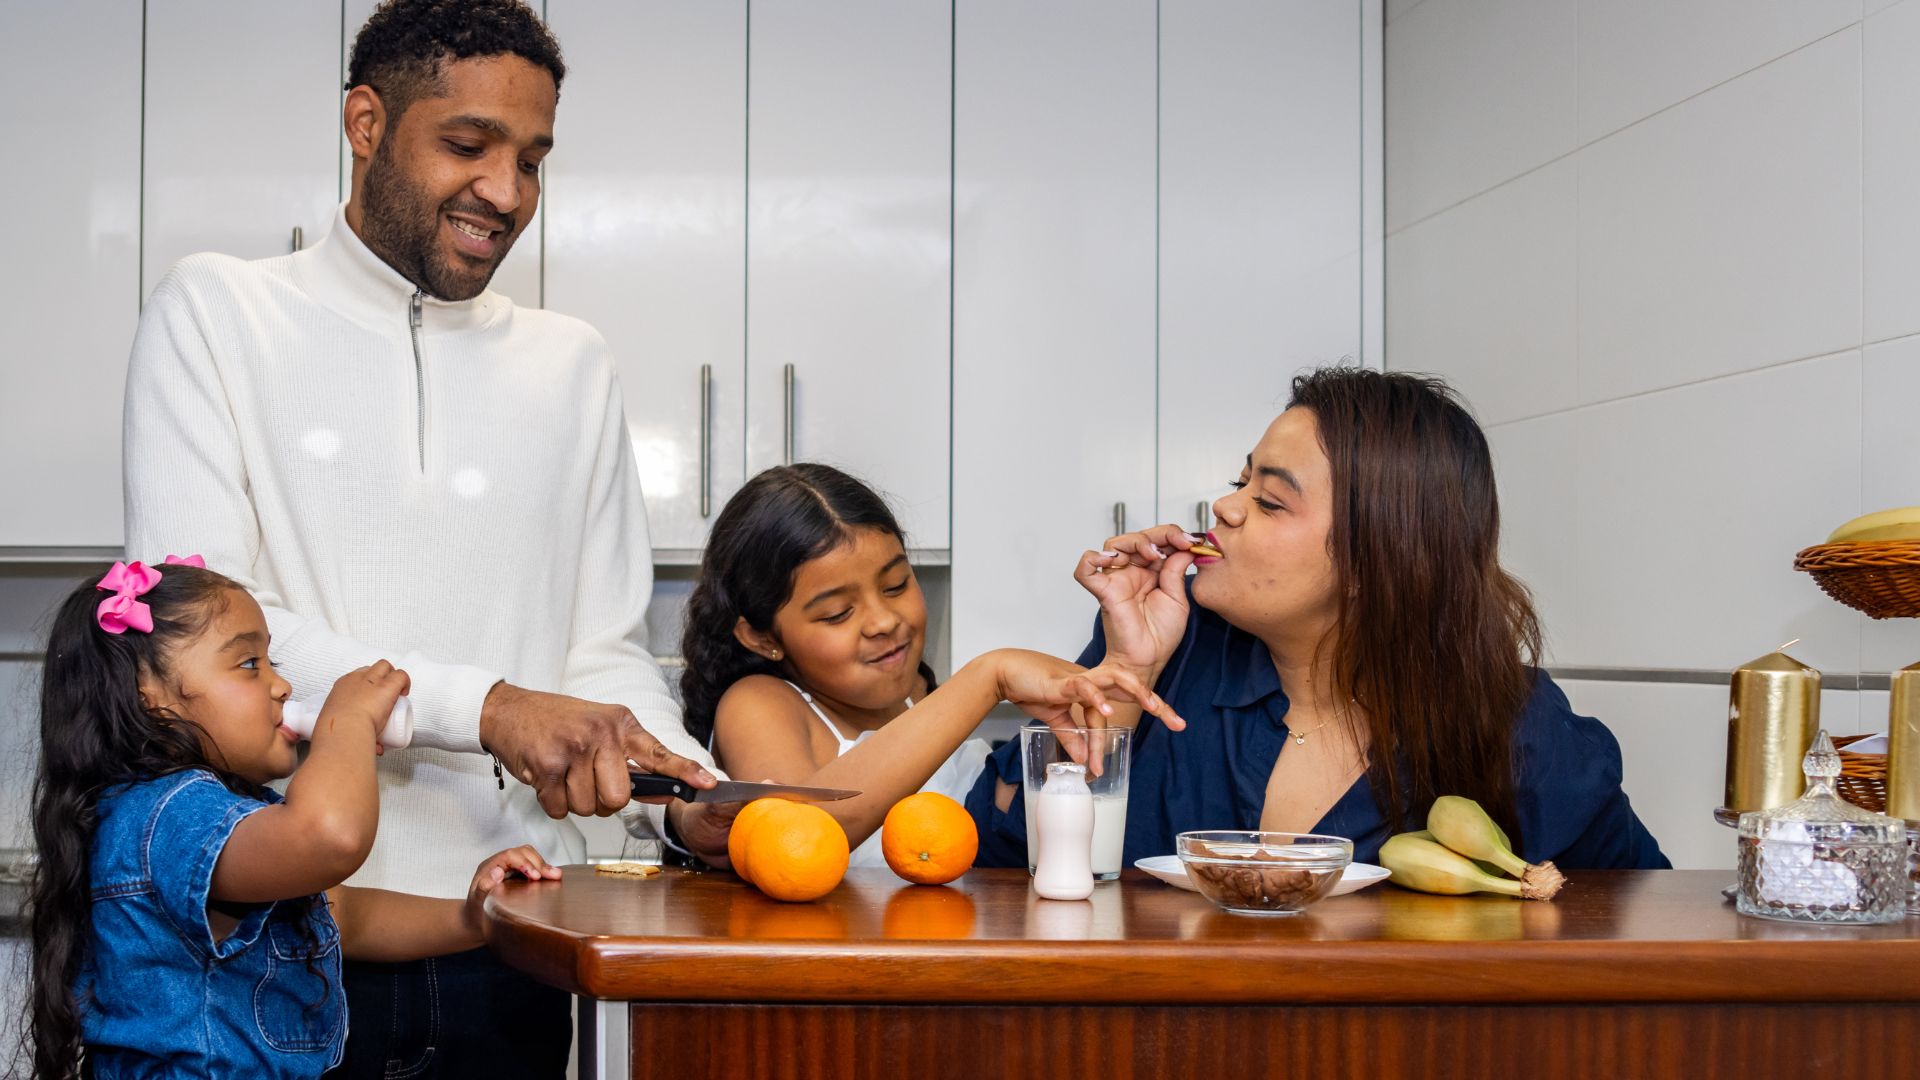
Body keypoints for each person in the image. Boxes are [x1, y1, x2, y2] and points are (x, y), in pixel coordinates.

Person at [118, 2, 728, 1072]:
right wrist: (490, 710)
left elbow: (603, 649)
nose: (506, 192)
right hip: (282, 935)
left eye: (532, 160)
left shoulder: (572, 363)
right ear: (365, 122)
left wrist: (681, 792)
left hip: (514, 932)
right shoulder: (216, 314)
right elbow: (201, 633)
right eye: (467, 145)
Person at [966, 366, 1670, 870]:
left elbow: (1640, 921)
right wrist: (1120, 682)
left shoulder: (1515, 730)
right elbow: (995, 858)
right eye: (1243, 479)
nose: (1226, 507)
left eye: (1269, 501)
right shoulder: (1164, 659)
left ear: (1382, 560)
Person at [25, 558, 560, 1080]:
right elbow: (330, 838)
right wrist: (346, 721)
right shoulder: (168, 815)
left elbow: (339, 916)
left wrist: (473, 919)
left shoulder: (220, 813)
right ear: (151, 697)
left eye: (272, 664)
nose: (281, 686)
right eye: (249, 665)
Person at [682, 465, 1185, 860]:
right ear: (762, 636)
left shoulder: (919, 701)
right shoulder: (759, 703)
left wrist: (1131, 660)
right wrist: (988, 676)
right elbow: (798, 833)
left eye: (896, 584)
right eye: (837, 613)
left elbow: (1068, 789)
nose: (883, 621)